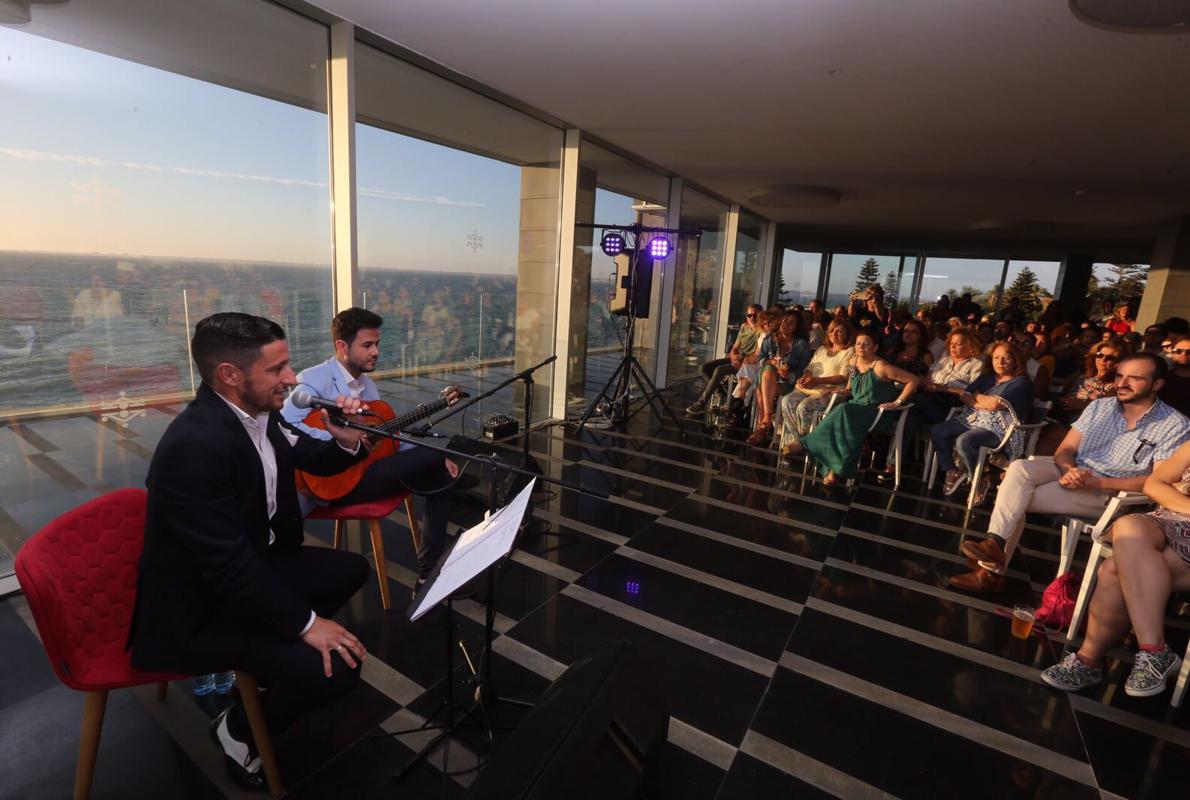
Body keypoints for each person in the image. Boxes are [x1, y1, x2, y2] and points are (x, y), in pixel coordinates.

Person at [130, 313, 373, 790]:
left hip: (255, 570)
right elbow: (225, 568)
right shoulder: (193, 448)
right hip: (203, 606)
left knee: (350, 569)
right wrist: (306, 624)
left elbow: (312, 458)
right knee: (339, 671)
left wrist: (346, 443)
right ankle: (237, 729)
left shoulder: (265, 414)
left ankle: (269, 664)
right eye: (277, 368)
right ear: (229, 375)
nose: (291, 378)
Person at [950, 352, 1190, 593]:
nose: (1122, 384)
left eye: (1134, 378)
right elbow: (1065, 449)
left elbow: (1156, 482)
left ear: (1157, 384)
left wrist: (1097, 482)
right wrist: (1069, 469)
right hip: (1071, 471)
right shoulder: (1099, 406)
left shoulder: (1174, 424)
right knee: (1019, 468)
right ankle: (994, 544)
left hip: (1110, 493)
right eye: (1119, 376)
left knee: (1014, 497)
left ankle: (990, 571)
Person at [281, 307, 460, 590]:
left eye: (377, 344)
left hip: (362, 474)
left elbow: (389, 440)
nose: (376, 351)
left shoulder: (367, 388)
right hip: (331, 482)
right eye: (367, 345)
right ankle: (431, 573)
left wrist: (432, 458)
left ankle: (429, 572)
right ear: (342, 346)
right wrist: (340, 441)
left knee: (442, 470)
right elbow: (285, 425)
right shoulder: (313, 379)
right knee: (435, 462)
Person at [1040, 437, 1190, 698]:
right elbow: (1154, 483)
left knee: (1114, 569)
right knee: (1128, 527)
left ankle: (1089, 661)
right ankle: (1154, 650)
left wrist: (1175, 491)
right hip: (1170, 516)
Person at [783, 331, 919, 485]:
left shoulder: (881, 366)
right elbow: (852, 387)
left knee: (843, 410)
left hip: (876, 412)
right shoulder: (853, 362)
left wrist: (898, 402)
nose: (861, 346)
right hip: (855, 408)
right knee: (844, 420)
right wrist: (845, 390)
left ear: (875, 348)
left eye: (867, 343)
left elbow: (913, 380)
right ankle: (833, 471)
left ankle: (805, 443)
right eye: (859, 343)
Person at [931, 342, 1034, 506]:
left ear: (1016, 360)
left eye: (1006, 358)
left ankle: (979, 479)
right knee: (938, 431)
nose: (1000, 362)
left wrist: (976, 398)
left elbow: (994, 404)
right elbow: (965, 394)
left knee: (964, 441)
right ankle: (952, 470)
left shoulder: (1021, 382)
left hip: (1001, 430)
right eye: (996, 358)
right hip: (974, 419)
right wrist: (980, 402)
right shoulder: (987, 377)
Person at [776, 317, 855, 452]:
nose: (834, 334)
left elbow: (842, 377)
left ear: (847, 335)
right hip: (812, 387)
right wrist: (805, 378)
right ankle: (799, 441)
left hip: (831, 392)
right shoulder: (822, 349)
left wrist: (817, 381)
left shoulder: (849, 352)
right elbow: (810, 369)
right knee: (787, 401)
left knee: (803, 407)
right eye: (831, 331)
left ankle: (802, 443)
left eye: (839, 332)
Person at [746, 313, 811, 446]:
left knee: (761, 388)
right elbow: (761, 358)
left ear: (796, 328)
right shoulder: (770, 339)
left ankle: (763, 425)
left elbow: (803, 371)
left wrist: (788, 375)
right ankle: (767, 419)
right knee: (768, 370)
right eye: (785, 321)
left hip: (788, 383)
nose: (786, 325)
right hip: (769, 380)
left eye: (791, 323)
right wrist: (769, 361)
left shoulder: (801, 344)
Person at [686, 303, 763, 414]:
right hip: (737, 359)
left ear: (761, 315)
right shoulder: (744, 326)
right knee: (704, 368)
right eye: (749, 315)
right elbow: (735, 347)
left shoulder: (762, 331)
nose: (752, 318)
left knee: (719, 370)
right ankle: (722, 396)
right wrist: (735, 356)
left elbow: (756, 354)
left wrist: (739, 358)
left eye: (755, 315)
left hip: (747, 365)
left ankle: (702, 402)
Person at [1160, 334, 1190, 416]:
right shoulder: (1161, 377)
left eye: (1189, 352)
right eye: (1178, 351)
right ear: (1172, 353)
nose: (1183, 354)